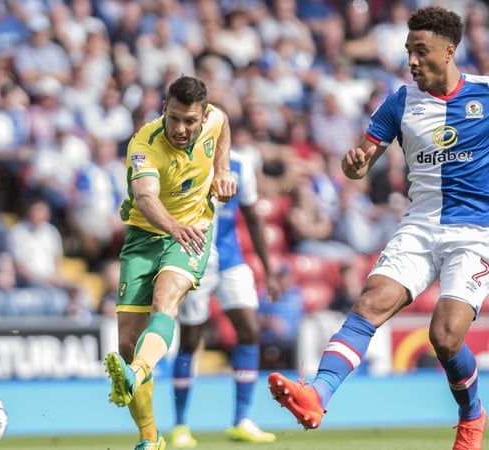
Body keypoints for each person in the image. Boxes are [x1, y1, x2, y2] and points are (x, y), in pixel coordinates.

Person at [267, 7, 489, 450]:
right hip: (420, 224)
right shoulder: (400, 101)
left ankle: (471, 415)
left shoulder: (485, 96)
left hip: (475, 232)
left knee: (445, 336)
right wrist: (354, 164)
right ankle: (317, 395)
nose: (411, 61)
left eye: (420, 52)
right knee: (370, 302)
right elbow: (361, 161)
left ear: (449, 51)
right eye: (408, 51)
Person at [104, 75, 236, 450]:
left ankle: (138, 373)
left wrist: (222, 170)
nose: (180, 128)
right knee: (128, 342)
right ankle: (150, 439)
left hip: (193, 230)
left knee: (167, 301)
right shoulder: (144, 144)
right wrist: (172, 227)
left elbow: (223, 125)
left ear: (202, 115)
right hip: (146, 235)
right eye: (174, 118)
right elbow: (145, 198)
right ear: (164, 109)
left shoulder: (215, 120)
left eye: (189, 121)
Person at [169, 149, 282, 447]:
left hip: (232, 259)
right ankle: (180, 425)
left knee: (250, 331)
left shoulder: (241, 163)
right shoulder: (184, 158)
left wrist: (269, 270)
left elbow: (253, 217)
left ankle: (241, 419)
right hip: (195, 258)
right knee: (190, 340)